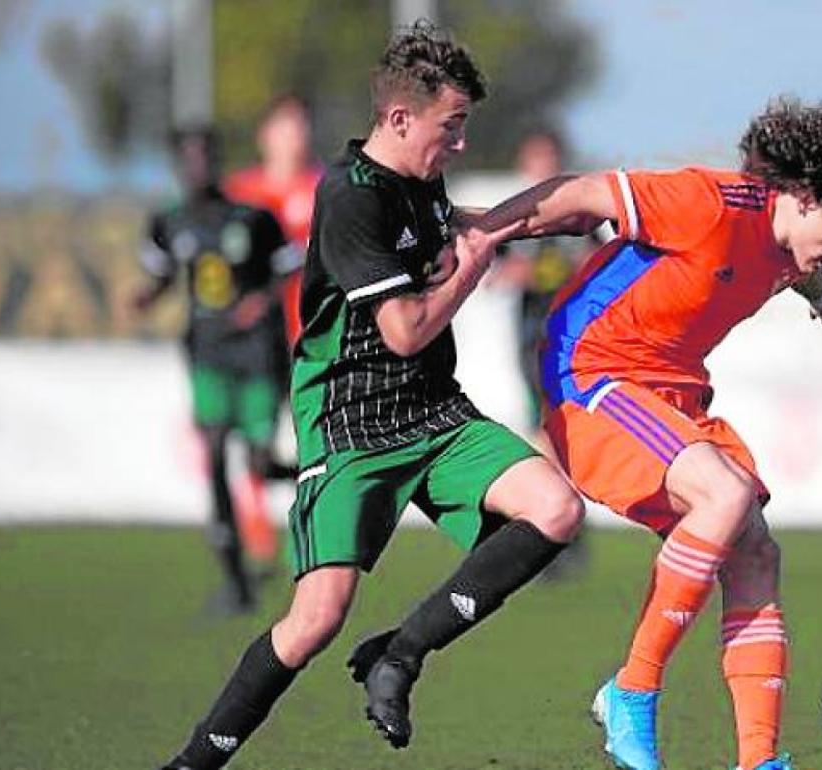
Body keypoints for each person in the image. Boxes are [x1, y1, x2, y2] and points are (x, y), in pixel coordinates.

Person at [158, 22, 583, 769]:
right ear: (398, 119)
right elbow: (406, 329)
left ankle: (402, 654)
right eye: (450, 129)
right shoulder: (350, 199)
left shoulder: (421, 180)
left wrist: (587, 209)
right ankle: (191, 763)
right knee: (315, 619)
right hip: (350, 421)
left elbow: (480, 225)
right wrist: (478, 262)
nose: (458, 146)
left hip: (432, 409)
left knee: (557, 508)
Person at [475, 87, 822, 770]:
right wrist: (483, 229)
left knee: (756, 552)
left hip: (671, 390)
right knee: (725, 498)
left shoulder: (793, 246)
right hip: (590, 370)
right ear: (803, 195)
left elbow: (787, 263)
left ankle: (759, 761)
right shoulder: (711, 204)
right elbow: (584, 194)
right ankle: (633, 691)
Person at [136, 126, 297, 615]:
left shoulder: (251, 218)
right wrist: (147, 296)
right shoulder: (169, 222)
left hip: (256, 354)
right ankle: (234, 576)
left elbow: (289, 267)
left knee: (258, 462)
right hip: (207, 354)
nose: (196, 167)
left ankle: (309, 479)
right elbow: (164, 273)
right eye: (187, 159)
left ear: (217, 160)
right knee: (212, 452)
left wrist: (258, 301)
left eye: (204, 156)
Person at [493, 127, 600, 580]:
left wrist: (557, 271)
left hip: (570, 340)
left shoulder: (578, 215)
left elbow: (597, 265)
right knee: (545, 433)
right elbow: (497, 269)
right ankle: (554, 529)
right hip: (530, 336)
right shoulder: (514, 219)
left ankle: (558, 529)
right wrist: (528, 272)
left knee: (559, 436)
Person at [223, 94, 322, 565]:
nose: (295, 136)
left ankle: (308, 534)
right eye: (285, 126)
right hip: (255, 340)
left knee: (316, 440)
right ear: (265, 135)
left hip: (314, 336)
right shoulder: (240, 193)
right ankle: (253, 526)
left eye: (300, 126)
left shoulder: (325, 186)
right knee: (254, 441)